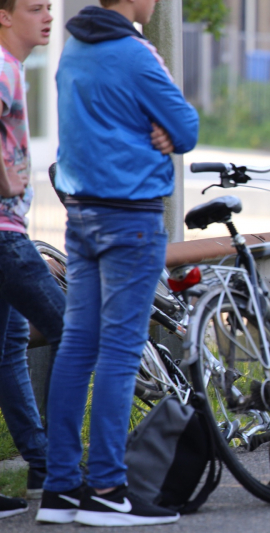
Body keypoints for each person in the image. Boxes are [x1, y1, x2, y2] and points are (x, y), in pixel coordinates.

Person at [34, 0, 198, 527]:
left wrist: (159, 123)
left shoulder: (73, 48)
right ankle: (107, 488)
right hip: (130, 217)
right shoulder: (135, 54)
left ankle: (61, 489)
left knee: (77, 345)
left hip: (81, 215)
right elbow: (187, 127)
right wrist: (163, 127)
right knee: (122, 351)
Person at [0, 0, 65, 520]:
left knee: (8, 351)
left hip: (8, 232)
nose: (47, 16)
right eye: (34, 8)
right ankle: (64, 470)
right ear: (4, 15)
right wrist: (6, 177)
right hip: (4, 238)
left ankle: (44, 464)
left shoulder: (14, 66)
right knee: (73, 330)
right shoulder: (1, 66)